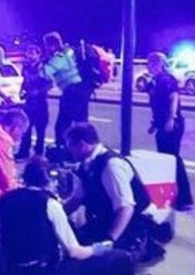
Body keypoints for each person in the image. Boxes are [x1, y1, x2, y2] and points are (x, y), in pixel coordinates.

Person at [0, 160, 131, 275]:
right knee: (98, 260)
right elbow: (75, 252)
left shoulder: (4, 200)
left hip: (13, 274)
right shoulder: (49, 203)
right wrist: (99, 248)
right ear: (50, 181)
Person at [64, 123, 159, 261]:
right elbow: (76, 200)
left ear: (82, 144)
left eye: (71, 147)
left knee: (97, 261)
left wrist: (109, 241)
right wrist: (55, 214)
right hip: (106, 218)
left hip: (132, 224)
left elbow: (126, 208)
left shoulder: (111, 166)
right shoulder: (85, 165)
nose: (70, 153)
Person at [146, 52, 193, 210]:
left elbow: (174, 98)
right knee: (166, 160)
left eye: (154, 63)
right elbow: (157, 105)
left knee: (172, 160)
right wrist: (154, 124)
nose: (150, 66)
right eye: (149, 63)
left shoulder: (166, 79)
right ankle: (174, 196)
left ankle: (185, 198)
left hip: (172, 124)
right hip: (162, 124)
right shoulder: (154, 81)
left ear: (161, 64)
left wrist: (171, 119)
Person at [43, 32, 89, 147]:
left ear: (52, 44)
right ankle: (81, 147)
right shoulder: (69, 52)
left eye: (47, 45)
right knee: (79, 122)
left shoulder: (59, 57)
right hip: (80, 90)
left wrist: (42, 62)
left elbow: (44, 73)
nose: (46, 48)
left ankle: (64, 149)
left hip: (72, 91)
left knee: (63, 124)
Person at [17, 44, 53, 158]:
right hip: (29, 102)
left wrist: (39, 91)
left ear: (38, 55)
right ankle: (23, 152)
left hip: (40, 102)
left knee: (40, 130)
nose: (30, 55)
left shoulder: (43, 68)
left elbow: (50, 84)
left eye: (33, 53)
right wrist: (22, 91)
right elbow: (24, 81)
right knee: (26, 128)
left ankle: (38, 153)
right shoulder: (26, 67)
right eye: (28, 52)